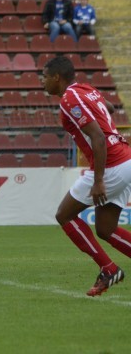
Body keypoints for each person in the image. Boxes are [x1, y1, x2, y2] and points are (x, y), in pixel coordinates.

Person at [42, 56, 131, 296]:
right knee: (106, 228)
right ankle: (109, 268)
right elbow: (110, 108)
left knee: (64, 215)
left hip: (111, 164)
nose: (43, 83)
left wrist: (99, 180)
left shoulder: (69, 99)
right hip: (126, 158)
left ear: (57, 78)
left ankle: (108, 268)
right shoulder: (86, 89)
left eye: (45, 77)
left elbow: (98, 138)